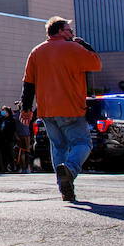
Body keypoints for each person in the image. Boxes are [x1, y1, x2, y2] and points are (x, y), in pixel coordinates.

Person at [21, 16, 102, 202]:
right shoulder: (75, 48)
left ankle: (65, 189)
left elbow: (28, 84)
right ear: (59, 31)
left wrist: (26, 109)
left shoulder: (36, 52)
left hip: (47, 110)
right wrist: (84, 44)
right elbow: (97, 63)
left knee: (58, 146)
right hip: (72, 107)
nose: (72, 34)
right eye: (69, 30)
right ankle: (70, 169)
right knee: (83, 143)